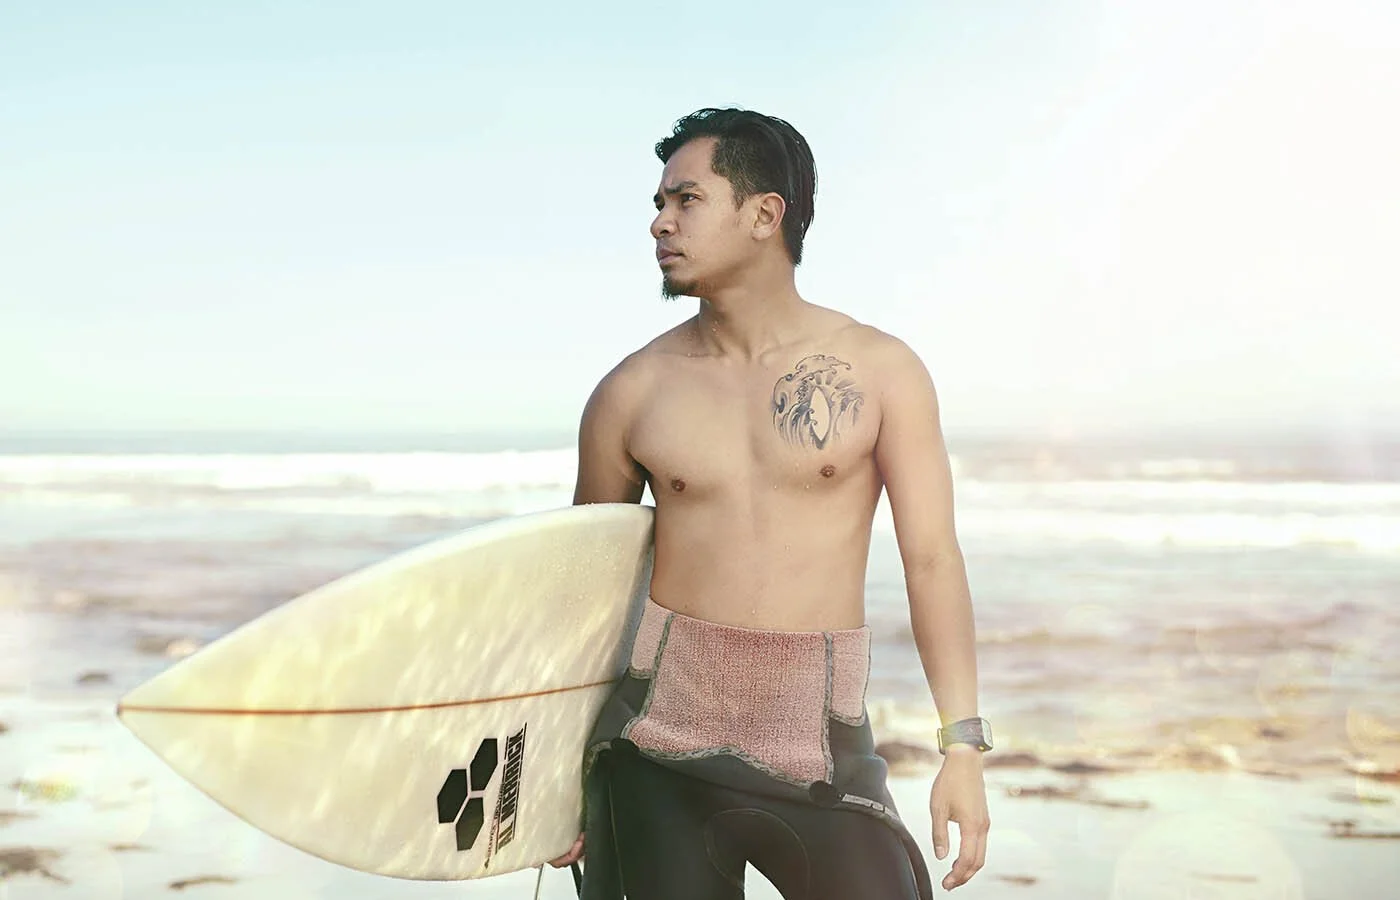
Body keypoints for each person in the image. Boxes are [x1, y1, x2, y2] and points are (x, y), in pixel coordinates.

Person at [551, 107, 991, 899]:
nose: (660, 223)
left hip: (820, 753)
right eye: (658, 204)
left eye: (686, 200)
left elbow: (931, 561)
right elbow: (589, 593)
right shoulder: (630, 393)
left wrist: (962, 746)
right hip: (655, 752)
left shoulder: (880, 370)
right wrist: (556, 768)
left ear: (764, 214)